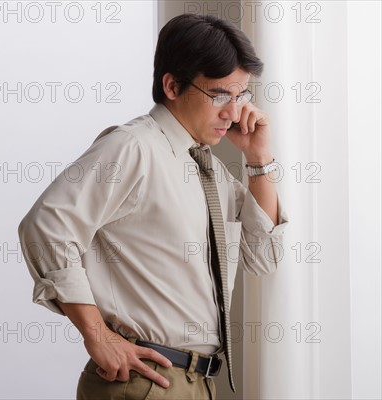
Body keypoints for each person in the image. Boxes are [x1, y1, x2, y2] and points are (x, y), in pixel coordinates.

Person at [18, 13, 288, 400]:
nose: (232, 112)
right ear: (173, 85)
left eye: (241, 95)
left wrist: (259, 159)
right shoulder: (133, 148)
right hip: (144, 383)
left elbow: (263, 258)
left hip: (196, 383)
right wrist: (97, 335)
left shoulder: (206, 167)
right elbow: (44, 228)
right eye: (219, 95)